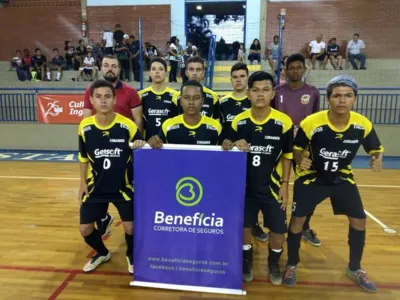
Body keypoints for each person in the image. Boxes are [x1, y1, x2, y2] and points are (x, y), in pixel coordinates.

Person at [282, 75, 384, 293]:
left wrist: (376, 157)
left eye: (348, 96)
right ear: (328, 99)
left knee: (359, 221)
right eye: (337, 96)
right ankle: (292, 264)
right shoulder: (312, 122)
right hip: (311, 177)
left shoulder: (362, 124)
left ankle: (354, 268)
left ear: (354, 99)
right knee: (297, 221)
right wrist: (301, 159)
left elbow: (375, 147)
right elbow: (297, 149)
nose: (342, 100)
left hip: (341, 176)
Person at [227, 71, 294, 284]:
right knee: (244, 227)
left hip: (273, 187)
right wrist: (234, 144)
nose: (260, 94)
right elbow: (227, 149)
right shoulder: (238, 122)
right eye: (255, 90)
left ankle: (273, 264)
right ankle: (246, 261)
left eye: (265, 90)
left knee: (277, 229)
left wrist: (285, 185)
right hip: (245, 187)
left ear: (273, 93)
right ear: (248, 94)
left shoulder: (283, 122)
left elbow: (287, 156)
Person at [78, 79, 145, 274]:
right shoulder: (85, 127)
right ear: (91, 100)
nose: (103, 101)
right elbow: (83, 157)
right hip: (96, 186)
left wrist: (140, 145)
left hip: (123, 187)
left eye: (107, 96)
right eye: (98, 97)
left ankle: (131, 255)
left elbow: (142, 155)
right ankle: (102, 252)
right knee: (85, 229)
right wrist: (82, 182)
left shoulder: (128, 126)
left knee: (131, 228)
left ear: (115, 100)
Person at [83, 54, 143, 237]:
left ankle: (132, 247)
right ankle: (103, 217)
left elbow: (138, 120)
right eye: (106, 65)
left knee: (125, 198)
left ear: (119, 68)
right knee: (97, 192)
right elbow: (86, 120)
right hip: (101, 154)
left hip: (122, 154)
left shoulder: (131, 92)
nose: (110, 68)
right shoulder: (91, 91)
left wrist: (133, 145)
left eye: (114, 66)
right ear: (101, 68)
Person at [272, 53, 321, 246]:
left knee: (307, 189)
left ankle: (305, 226)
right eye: (291, 68)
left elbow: (317, 122)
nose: (295, 71)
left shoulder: (313, 92)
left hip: (304, 150)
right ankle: (276, 223)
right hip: (280, 148)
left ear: (304, 69)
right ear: (285, 70)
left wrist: (312, 147)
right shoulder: (276, 91)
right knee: (275, 186)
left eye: (298, 67)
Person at [219, 63, 270, 243]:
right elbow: (221, 129)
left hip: (254, 155)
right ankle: (230, 224)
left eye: (242, 76)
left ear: (247, 79)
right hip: (231, 156)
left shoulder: (255, 99)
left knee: (253, 192)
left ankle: (254, 224)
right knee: (232, 194)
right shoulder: (223, 102)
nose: (238, 79)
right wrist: (227, 142)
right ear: (231, 80)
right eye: (235, 77)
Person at [148, 80, 221, 147]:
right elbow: (156, 152)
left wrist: (229, 145)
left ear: (202, 101)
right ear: (180, 101)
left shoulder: (216, 127)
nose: (191, 102)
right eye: (186, 97)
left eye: (196, 98)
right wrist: (151, 143)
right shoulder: (168, 126)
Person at [139, 58, 178, 140]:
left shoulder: (175, 95)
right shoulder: (141, 95)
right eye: (153, 69)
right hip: (148, 144)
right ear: (150, 73)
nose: (157, 72)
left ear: (166, 73)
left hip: (169, 144)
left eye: (160, 69)